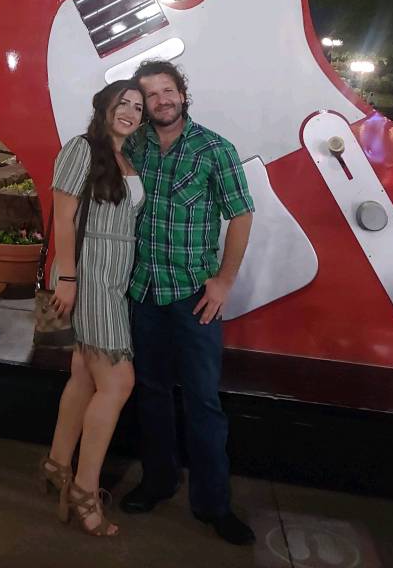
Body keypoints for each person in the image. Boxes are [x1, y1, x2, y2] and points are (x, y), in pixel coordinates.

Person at [119, 59, 255, 546]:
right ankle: (157, 481)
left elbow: (241, 215)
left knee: (202, 400)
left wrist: (224, 280)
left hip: (195, 296)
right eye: (151, 95)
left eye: (167, 90)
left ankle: (214, 504)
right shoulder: (132, 146)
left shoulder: (215, 149)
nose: (161, 100)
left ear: (182, 93)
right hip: (143, 292)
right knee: (151, 393)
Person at [39, 80, 145, 537]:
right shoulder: (81, 149)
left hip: (113, 279)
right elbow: (63, 217)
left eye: (138, 107)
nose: (131, 112)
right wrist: (68, 277)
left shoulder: (126, 158)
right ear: (104, 105)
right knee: (118, 381)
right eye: (124, 103)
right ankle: (84, 489)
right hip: (88, 276)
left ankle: (56, 464)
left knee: (84, 374)